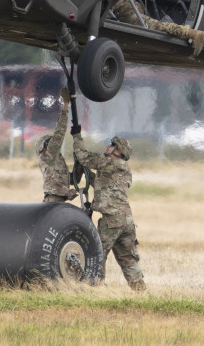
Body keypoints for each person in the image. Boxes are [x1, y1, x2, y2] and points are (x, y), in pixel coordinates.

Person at [70, 125, 146, 291]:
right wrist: (84, 169)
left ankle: (95, 289)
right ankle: (141, 292)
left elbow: (85, 157)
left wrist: (76, 136)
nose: (107, 146)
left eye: (111, 145)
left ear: (118, 152)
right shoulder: (119, 169)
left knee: (97, 255)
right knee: (128, 259)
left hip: (112, 219)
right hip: (126, 220)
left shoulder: (111, 163)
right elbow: (100, 182)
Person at [37, 94, 77, 203]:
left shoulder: (52, 159)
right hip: (54, 199)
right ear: (45, 145)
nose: (54, 142)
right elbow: (60, 131)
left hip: (56, 199)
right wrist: (66, 106)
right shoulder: (49, 154)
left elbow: (65, 179)